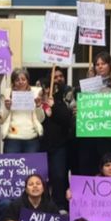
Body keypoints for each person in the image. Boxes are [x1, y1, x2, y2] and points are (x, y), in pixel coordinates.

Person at [73, 52, 111, 176]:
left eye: (103, 63)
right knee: (88, 165)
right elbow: (76, 103)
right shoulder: (87, 84)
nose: (100, 67)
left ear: (110, 65)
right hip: (89, 131)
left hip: (108, 133)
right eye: (97, 64)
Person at [40, 68, 73, 211]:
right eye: (45, 88)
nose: (48, 90)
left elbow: (66, 120)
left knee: (59, 176)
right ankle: (44, 205)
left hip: (59, 145)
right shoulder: (37, 103)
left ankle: (60, 205)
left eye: (50, 87)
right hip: (40, 145)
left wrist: (55, 107)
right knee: (42, 178)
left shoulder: (60, 101)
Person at [0, 68, 44, 153]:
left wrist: (38, 106)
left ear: (27, 81)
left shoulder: (35, 94)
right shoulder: (7, 94)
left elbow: (41, 119)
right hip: (12, 139)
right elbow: (0, 120)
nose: (20, 82)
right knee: (12, 166)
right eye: (17, 80)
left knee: (32, 166)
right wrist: (6, 108)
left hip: (31, 138)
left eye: (23, 79)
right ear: (13, 82)